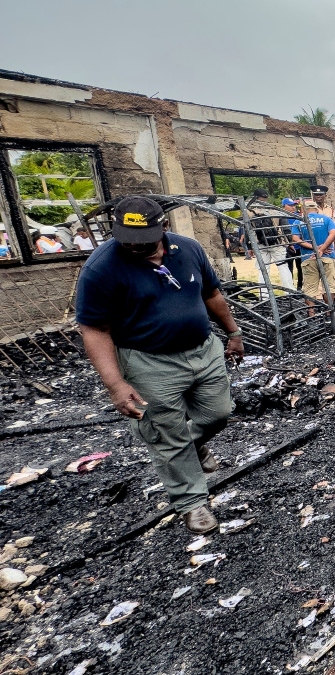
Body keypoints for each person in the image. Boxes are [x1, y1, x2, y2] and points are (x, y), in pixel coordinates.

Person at [74, 196, 244, 534]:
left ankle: (192, 444)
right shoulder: (102, 267)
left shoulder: (189, 249)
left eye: (144, 240)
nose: (135, 247)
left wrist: (233, 332)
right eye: (127, 240)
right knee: (166, 432)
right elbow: (94, 329)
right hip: (147, 360)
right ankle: (193, 503)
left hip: (203, 350)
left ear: (163, 227)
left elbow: (211, 294)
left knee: (218, 413)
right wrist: (115, 384)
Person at [291, 200, 335, 311]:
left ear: (303, 210)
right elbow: (333, 234)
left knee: (310, 288)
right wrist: (322, 248)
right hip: (327, 256)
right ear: (316, 209)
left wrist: (315, 248)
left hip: (308, 258)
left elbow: (295, 239)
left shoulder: (298, 222)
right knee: (330, 286)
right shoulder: (326, 219)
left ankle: (311, 314)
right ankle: (329, 312)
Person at [247, 189, 295, 291]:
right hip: (277, 243)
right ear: (266, 197)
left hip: (260, 244)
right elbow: (286, 228)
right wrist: (289, 243)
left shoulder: (248, 212)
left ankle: (264, 295)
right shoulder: (274, 210)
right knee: (283, 267)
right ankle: (290, 291)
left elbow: (247, 230)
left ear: (254, 197)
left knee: (263, 269)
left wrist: (249, 247)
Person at [281, 198, 304, 289]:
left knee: (301, 267)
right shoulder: (280, 217)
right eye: (290, 205)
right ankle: (290, 288)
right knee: (288, 268)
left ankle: (300, 286)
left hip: (299, 245)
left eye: (293, 205)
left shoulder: (297, 216)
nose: (293, 207)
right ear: (284, 206)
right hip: (287, 246)